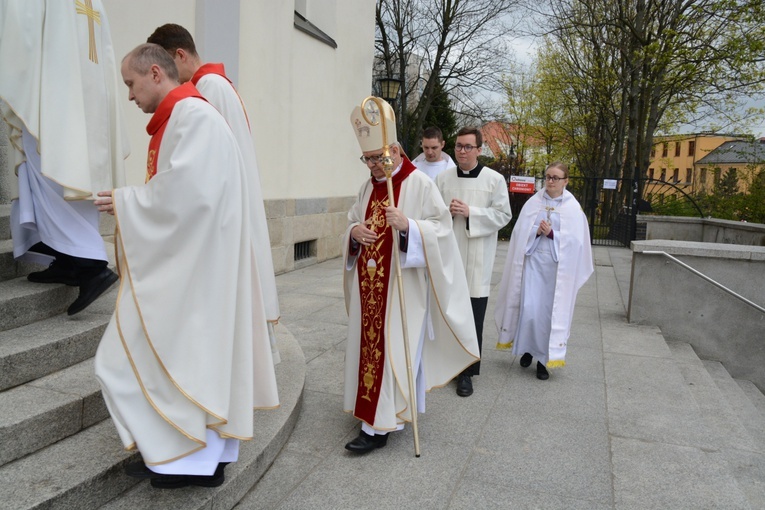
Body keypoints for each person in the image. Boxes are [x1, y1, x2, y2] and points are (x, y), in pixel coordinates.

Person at [92, 43, 279, 489]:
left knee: (126, 359)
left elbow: (188, 197)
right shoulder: (186, 117)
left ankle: (184, 459)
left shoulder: (193, 117)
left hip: (201, 273)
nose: (131, 97)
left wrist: (125, 201)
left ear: (156, 73)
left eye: (131, 85)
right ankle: (181, 456)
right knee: (189, 360)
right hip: (199, 264)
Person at [343, 98, 479, 454]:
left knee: (391, 351)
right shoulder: (368, 186)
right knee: (369, 350)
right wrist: (355, 232)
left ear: (396, 151)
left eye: (378, 158)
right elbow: (352, 218)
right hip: (369, 285)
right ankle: (370, 412)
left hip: (402, 290)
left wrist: (409, 228)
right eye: (367, 159)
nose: (373, 166)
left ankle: (381, 424)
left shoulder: (418, 184)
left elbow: (442, 229)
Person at [146, 23, 282, 362]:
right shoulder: (214, 84)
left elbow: (215, 157)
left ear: (180, 55)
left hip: (228, 208)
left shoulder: (208, 86)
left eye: (165, 66)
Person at [0, 0, 128, 314]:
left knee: (51, 171)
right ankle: (66, 259)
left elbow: (21, 30)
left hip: (54, 96)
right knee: (73, 171)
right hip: (87, 97)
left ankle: (90, 265)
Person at [494, 162, 593, 380]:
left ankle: (542, 360)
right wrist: (536, 232)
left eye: (556, 178)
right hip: (533, 264)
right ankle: (527, 349)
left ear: (565, 181)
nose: (550, 181)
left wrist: (552, 235)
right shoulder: (534, 203)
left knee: (548, 315)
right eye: (548, 176)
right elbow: (520, 232)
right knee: (529, 308)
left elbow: (577, 242)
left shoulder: (573, 209)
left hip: (556, 272)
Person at [436, 126, 512, 396]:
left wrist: (471, 212)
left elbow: (504, 215)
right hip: (448, 255)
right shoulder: (443, 179)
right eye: (458, 146)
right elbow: (430, 215)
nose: (462, 151)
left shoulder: (494, 180)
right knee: (447, 313)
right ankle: (447, 364)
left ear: (480, 150)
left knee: (472, 315)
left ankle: (467, 372)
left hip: (477, 257)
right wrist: (446, 212)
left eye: (468, 147)